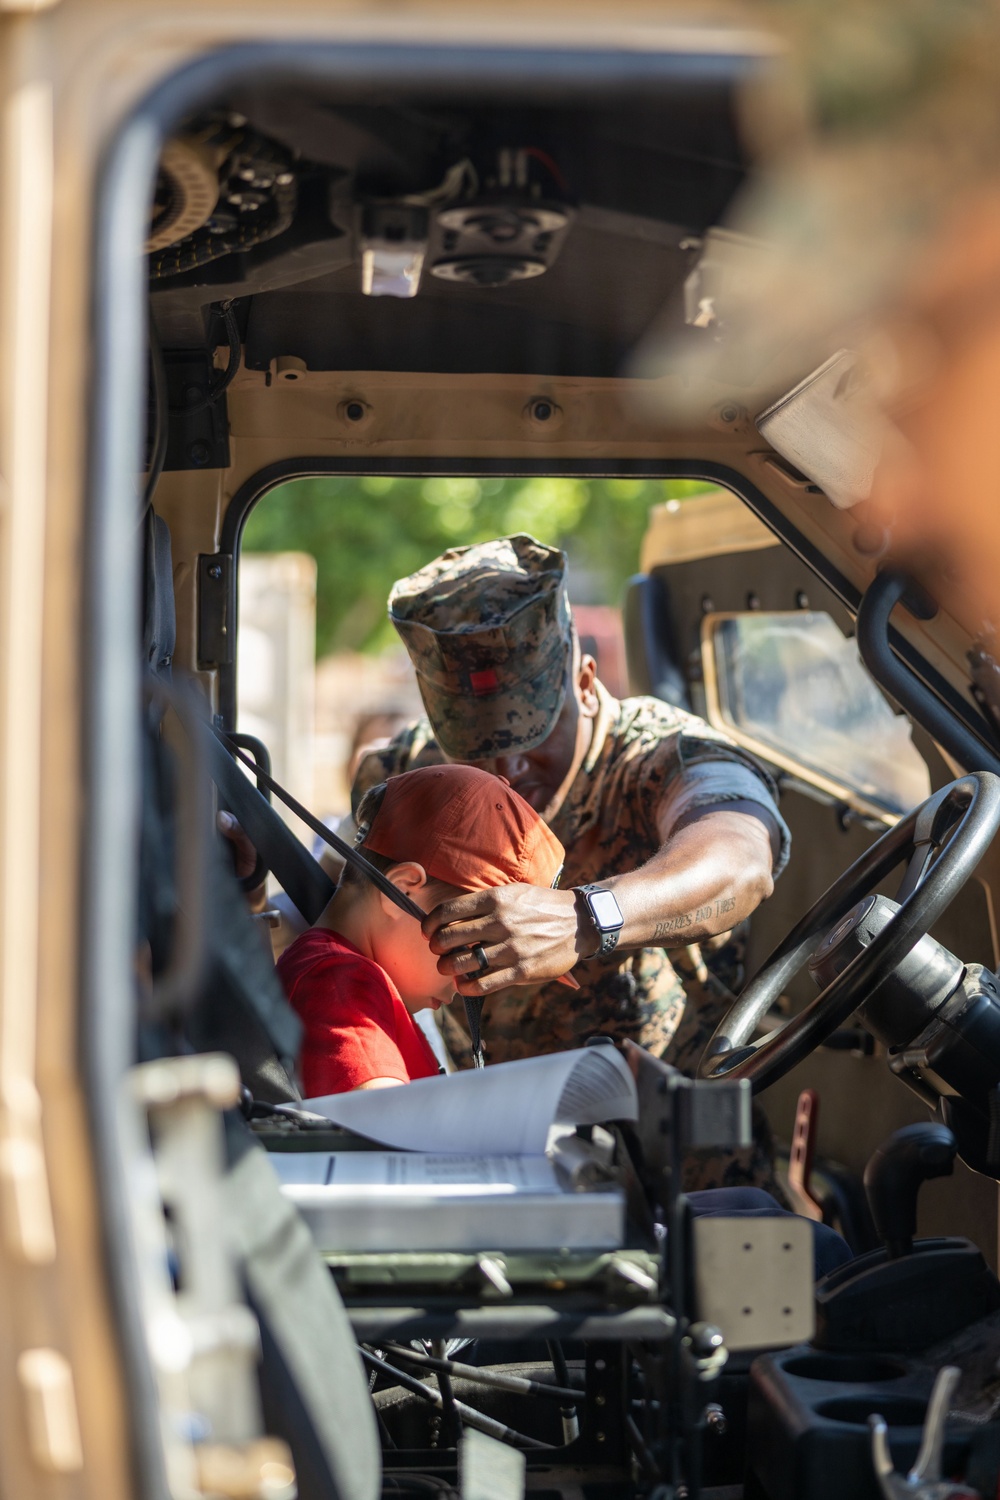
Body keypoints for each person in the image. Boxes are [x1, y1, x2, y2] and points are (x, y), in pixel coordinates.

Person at [352, 536, 791, 1190]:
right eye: (476, 749)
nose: (509, 770)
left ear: (585, 684)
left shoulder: (660, 756)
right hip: (497, 1172)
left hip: (685, 1183)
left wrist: (589, 917)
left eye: (531, 736)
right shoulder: (406, 775)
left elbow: (741, 854)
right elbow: (339, 925)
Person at [277, 762, 567, 1096]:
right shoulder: (339, 982)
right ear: (402, 892)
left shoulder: (368, 982)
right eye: (471, 946)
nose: (470, 980)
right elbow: (384, 1128)